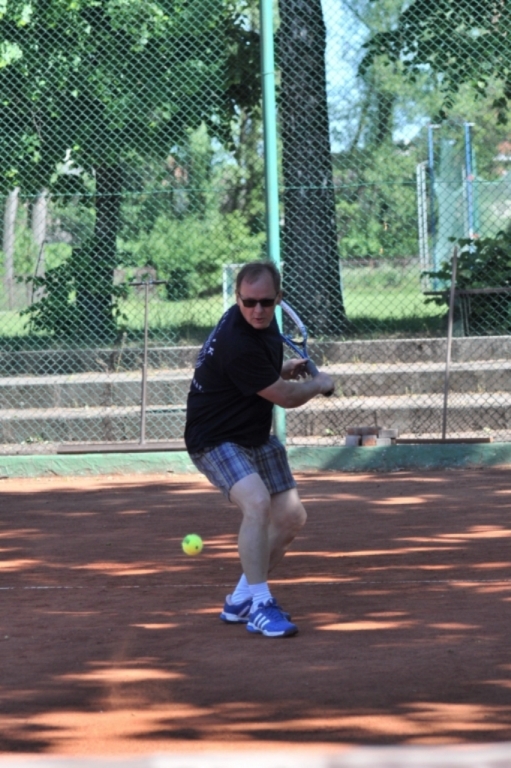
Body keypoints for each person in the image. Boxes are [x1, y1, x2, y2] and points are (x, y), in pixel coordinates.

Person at [184, 261, 335, 638]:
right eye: (248, 302)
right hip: (214, 437)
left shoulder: (261, 329)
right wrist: (319, 384)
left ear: (278, 299)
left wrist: (280, 371)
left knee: (291, 517)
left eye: (266, 302)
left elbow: (251, 378)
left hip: (253, 432)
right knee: (256, 502)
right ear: (237, 298)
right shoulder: (237, 341)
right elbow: (285, 398)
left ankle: (240, 600)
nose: (257, 310)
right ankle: (261, 606)